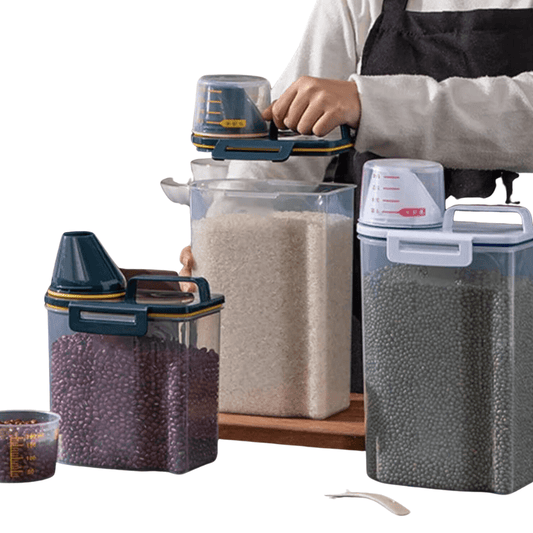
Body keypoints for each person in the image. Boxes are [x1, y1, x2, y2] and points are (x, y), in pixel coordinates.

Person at [181, 0, 533, 393]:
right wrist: (224, 244)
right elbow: (285, 150)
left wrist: (371, 103)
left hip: (512, 289)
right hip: (372, 298)